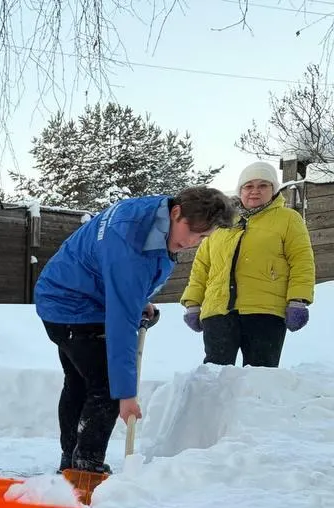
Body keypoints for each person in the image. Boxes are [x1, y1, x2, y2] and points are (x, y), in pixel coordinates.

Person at [34, 187, 234, 477]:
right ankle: (86, 470)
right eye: (192, 231)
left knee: (79, 382)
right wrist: (126, 395)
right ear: (176, 212)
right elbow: (122, 323)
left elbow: (117, 276)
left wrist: (137, 298)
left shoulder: (155, 215)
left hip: (65, 294)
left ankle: (72, 463)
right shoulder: (130, 244)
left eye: (203, 237)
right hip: (72, 307)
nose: (193, 242)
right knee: (105, 388)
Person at [180, 162, 315, 367]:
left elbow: (301, 261)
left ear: (274, 189)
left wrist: (298, 300)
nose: (255, 191)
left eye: (263, 185)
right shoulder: (222, 222)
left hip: (265, 312)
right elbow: (202, 266)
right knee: (215, 377)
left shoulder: (288, 219)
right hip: (218, 312)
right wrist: (192, 303)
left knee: (260, 378)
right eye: (249, 186)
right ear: (240, 190)